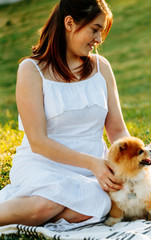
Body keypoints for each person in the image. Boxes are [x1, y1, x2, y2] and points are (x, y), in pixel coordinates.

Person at [0, 0, 130, 227]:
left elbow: (117, 130)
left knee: (107, 200)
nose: (99, 40)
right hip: (43, 165)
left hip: (93, 172)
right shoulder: (31, 70)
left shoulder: (102, 68)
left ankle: (32, 210)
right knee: (47, 203)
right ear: (70, 23)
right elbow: (38, 142)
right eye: (95, 30)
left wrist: (133, 161)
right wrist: (92, 164)